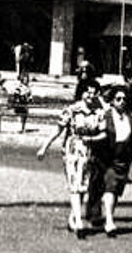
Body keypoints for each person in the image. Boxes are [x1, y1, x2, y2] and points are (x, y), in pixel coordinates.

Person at [37, 78, 106, 235]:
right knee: (75, 186)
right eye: (88, 92)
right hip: (73, 152)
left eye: (94, 93)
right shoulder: (72, 110)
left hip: (89, 152)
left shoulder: (99, 112)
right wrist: (44, 147)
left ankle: (72, 218)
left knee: (83, 187)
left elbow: (103, 133)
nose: (91, 95)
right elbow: (58, 130)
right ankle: (79, 222)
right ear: (81, 93)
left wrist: (92, 139)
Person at [92, 84, 132, 238]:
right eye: (118, 99)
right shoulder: (105, 116)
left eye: (124, 99)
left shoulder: (130, 119)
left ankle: (107, 217)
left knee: (116, 190)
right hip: (107, 159)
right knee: (110, 187)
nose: (122, 101)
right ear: (112, 101)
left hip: (123, 161)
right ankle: (109, 221)